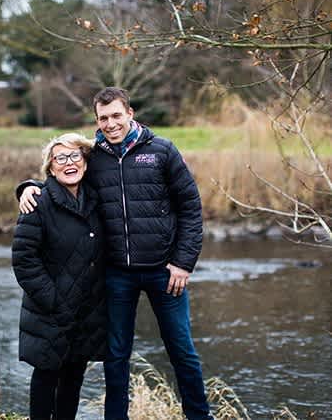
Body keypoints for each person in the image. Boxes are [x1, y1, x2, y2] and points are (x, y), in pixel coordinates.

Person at [17, 87, 214, 420]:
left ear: (130, 113)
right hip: (116, 275)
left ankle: (200, 416)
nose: (110, 124)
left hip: (164, 272)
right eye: (103, 118)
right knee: (116, 357)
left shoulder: (162, 151)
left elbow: (191, 208)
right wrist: (25, 187)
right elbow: (61, 170)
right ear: (97, 120)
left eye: (116, 116)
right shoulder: (95, 157)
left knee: (182, 351)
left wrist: (183, 262)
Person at [11, 133, 107, 420]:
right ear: (50, 168)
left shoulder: (95, 199)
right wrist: (53, 301)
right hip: (50, 310)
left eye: (75, 156)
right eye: (60, 158)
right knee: (46, 376)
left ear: (85, 162)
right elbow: (24, 261)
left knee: (74, 377)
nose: (69, 163)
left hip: (86, 311)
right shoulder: (37, 203)